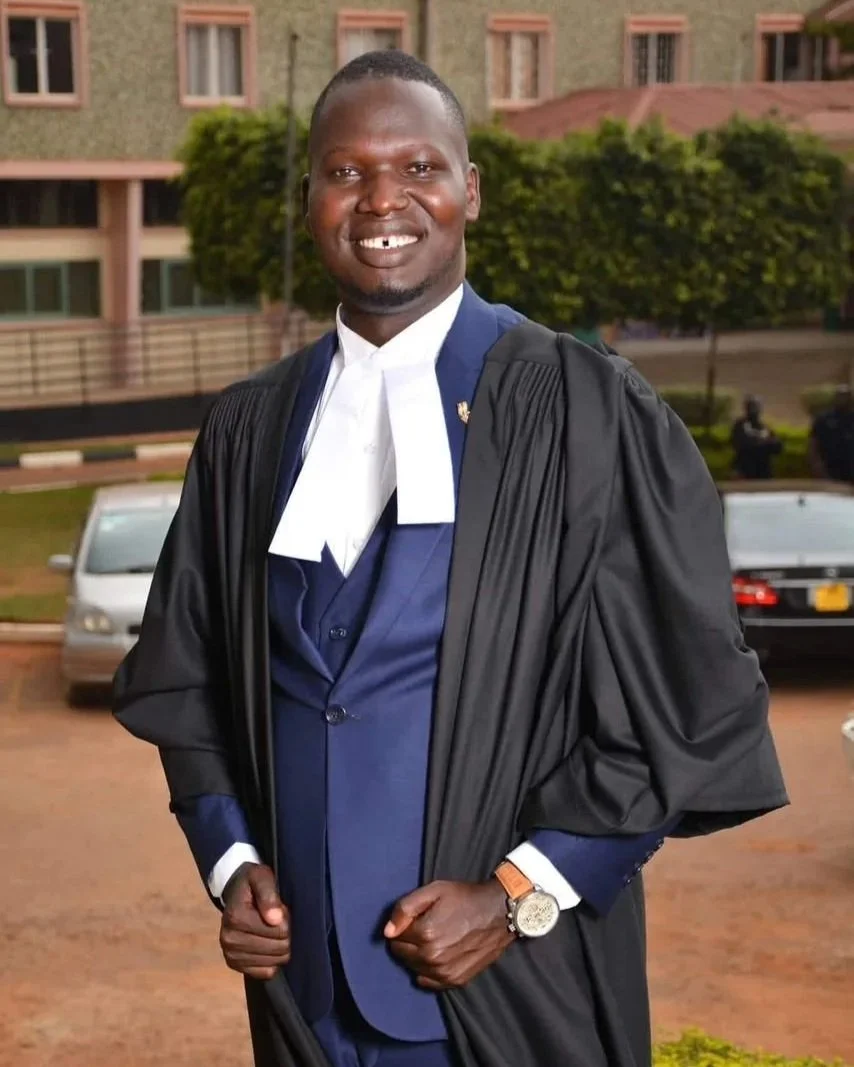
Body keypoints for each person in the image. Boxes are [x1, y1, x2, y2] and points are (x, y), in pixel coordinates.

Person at [113, 51, 788, 1067]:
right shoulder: (249, 430)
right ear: (309, 201)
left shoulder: (585, 412)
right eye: (345, 171)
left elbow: (676, 705)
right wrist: (231, 856)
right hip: (300, 1001)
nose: (382, 197)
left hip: (505, 993)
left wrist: (518, 894)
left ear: (470, 190)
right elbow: (189, 678)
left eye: (418, 166)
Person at [809, 385, 854, 483]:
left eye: (847, 396)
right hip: (828, 471)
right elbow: (813, 444)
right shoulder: (823, 419)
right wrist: (817, 466)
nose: (844, 399)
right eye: (841, 395)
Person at [731, 395, 782, 480]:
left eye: (757, 407)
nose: (754, 410)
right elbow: (742, 445)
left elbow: (777, 446)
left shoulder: (765, 428)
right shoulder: (740, 426)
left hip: (764, 473)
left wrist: (763, 443)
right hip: (745, 471)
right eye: (752, 406)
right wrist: (764, 443)